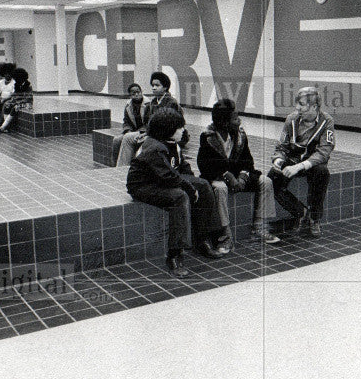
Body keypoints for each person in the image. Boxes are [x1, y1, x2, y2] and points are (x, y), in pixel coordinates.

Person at [126, 108, 227, 276]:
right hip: (144, 185)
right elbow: (167, 175)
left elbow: (182, 168)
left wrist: (195, 185)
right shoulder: (153, 147)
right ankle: (174, 254)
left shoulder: (173, 143)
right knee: (179, 197)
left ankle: (203, 239)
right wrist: (188, 187)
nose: (183, 131)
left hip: (163, 180)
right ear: (168, 129)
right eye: (179, 128)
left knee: (203, 185)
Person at [197, 98, 281, 246]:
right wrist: (227, 176)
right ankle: (225, 232)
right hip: (217, 177)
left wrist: (242, 177)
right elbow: (205, 166)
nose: (240, 121)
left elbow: (248, 162)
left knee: (265, 181)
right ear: (224, 122)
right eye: (235, 118)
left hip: (238, 177)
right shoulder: (208, 137)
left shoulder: (240, 136)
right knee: (220, 188)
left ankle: (260, 226)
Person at [268, 86, 335, 238]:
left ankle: (315, 218)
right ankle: (301, 212)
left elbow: (324, 151)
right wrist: (278, 160)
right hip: (292, 160)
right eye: (297, 103)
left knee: (322, 172)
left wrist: (300, 167)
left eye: (302, 104)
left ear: (315, 106)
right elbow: (281, 146)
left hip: (311, 163)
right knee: (271, 179)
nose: (297, 108)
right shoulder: (291, 119)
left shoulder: (327, 121)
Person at [115, 82, 148, 166]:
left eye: (138, 92)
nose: (136, 94)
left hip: (144, 132)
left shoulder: (148, 104)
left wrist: (140, 131)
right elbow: (126, 121)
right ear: (130, 95)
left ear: (141, 92)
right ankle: (115, 165)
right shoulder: (128, 106)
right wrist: (128, 130)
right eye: (134, 93)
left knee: (128, 138)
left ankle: (123, 166)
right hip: (133, 132)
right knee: (116, 140)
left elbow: (150, 122)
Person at [0, 68, 32, 133]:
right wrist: (12, 101)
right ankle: (5, 127)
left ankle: (3, 127)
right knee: (7, 105)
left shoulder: (28, 86)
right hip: (18, 102)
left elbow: (27, 98)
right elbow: (14, 96)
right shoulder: (17, 85)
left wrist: (17, 102)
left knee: (14, 108)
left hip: (26, 103)